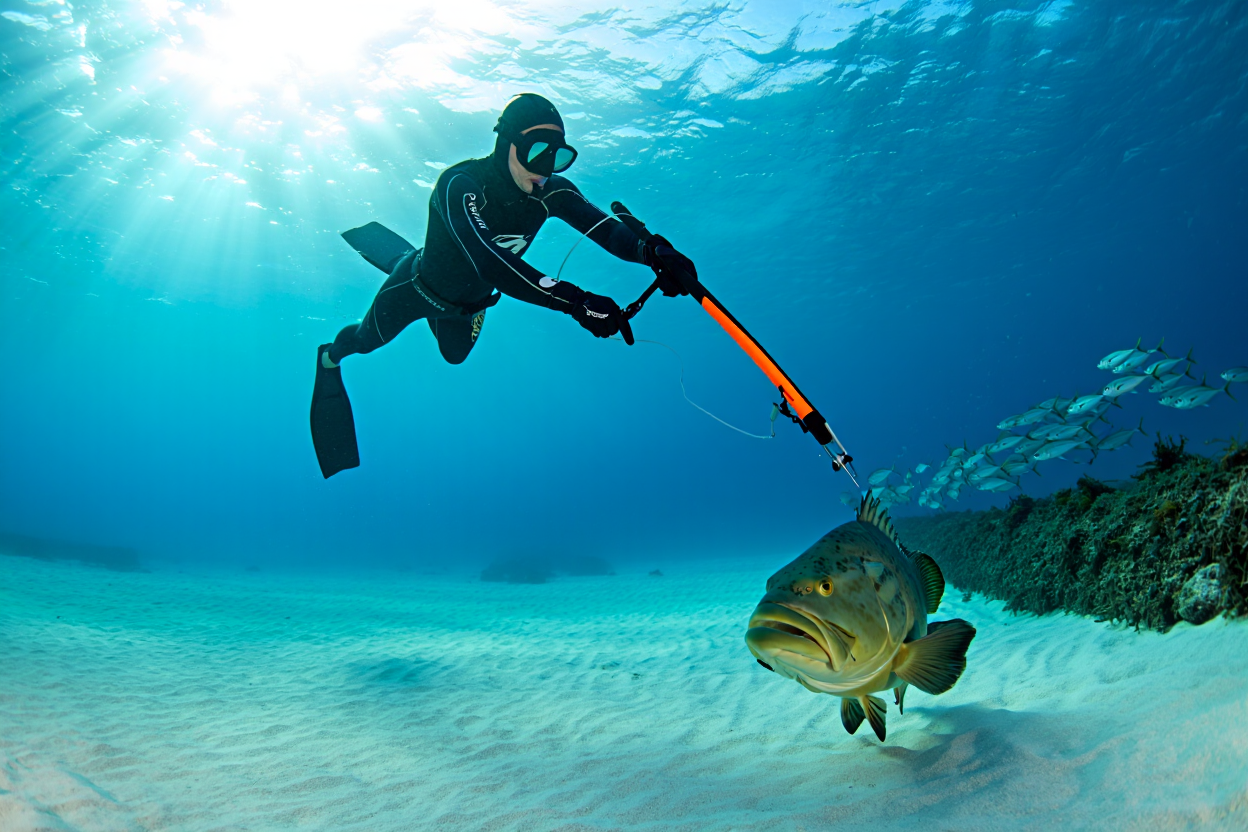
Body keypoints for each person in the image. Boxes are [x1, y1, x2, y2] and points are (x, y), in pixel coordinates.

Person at [310, 93, 698, 478]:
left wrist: (655, 252)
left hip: (468, 304)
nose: (546, 169)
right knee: (363, 342)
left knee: (455, 356)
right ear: (506, 141)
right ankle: (330, 356)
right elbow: (488, 260)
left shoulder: (552, 191)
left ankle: (425, 271)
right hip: (415, 290)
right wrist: (575, 301)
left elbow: (610, 233)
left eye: (558, 156)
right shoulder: (460, 183)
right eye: (537, 151)